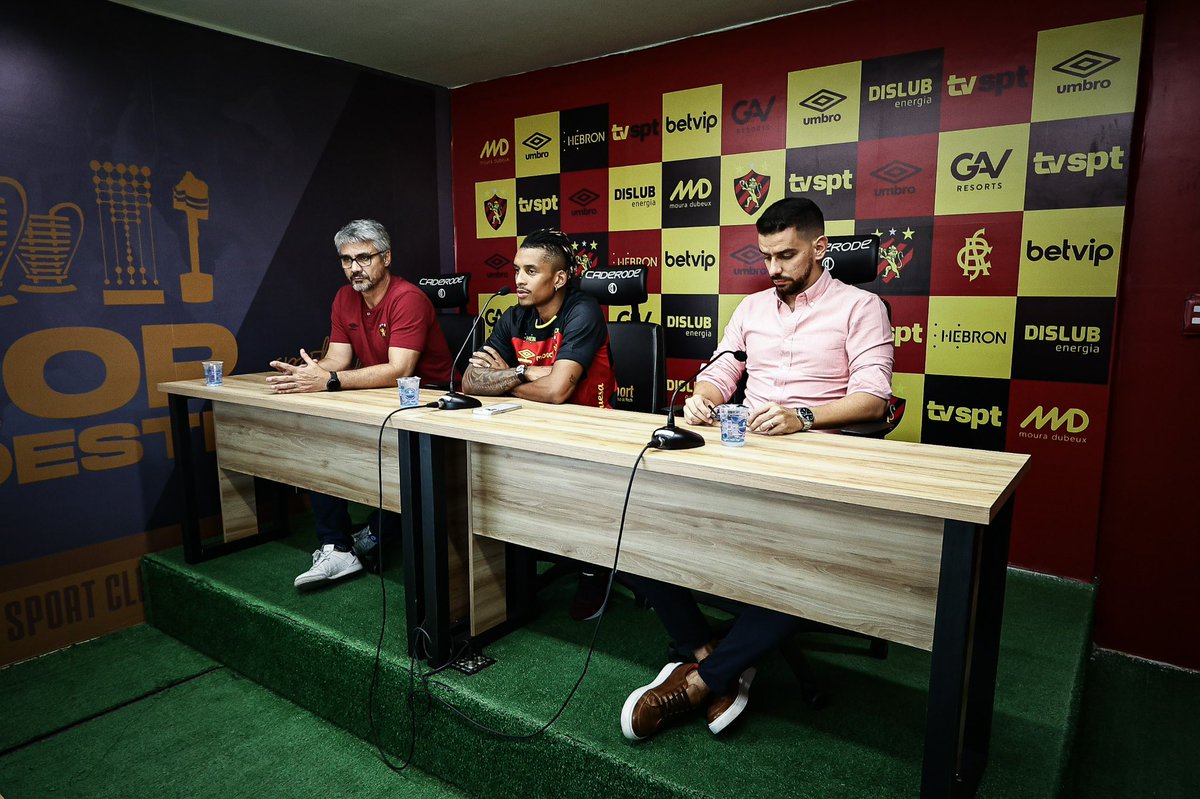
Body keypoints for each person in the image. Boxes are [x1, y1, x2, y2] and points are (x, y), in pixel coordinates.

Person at [620, 197, 895, 741]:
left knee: (805, 573)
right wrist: (703, 396)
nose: (773, 269)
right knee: (635, 525)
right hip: (743, 452)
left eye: (787, 256)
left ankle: (702, 680)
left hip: (821, 462)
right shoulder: (751, 309)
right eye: (766, 256)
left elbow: (874, 399)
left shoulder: (861, 307)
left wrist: (803, 417)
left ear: (820, 248)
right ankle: (708, 650)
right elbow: (722, 369)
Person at [266, 219, 453, 589]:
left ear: (386, 257)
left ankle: (376, 533)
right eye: (346, 259)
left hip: (428, 404)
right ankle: (336, 547)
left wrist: (330, 381)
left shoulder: (408, 298)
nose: (355, 267)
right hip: (376, 400)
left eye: (364, 258)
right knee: (323, 441)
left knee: (403, 470)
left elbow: (401, 369)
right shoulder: (343, 297)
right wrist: (310, 374)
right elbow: (337, 359)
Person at [463, 228, 617, 619]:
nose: (518, 279)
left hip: (591, 436)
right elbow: (468, 381)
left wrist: (505, 379)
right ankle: (513, 567)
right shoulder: (513, 316)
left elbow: (557, 393)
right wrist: (526, 373)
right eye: (517, 269)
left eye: (530, 271)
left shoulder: (582, 311)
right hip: (530, 431)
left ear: (559, 278)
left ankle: (593, 569)